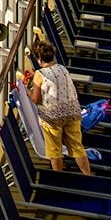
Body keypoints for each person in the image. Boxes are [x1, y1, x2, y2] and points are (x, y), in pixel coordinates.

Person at [25, 39, 90, 174]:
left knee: (54, 151)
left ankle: (59, 178)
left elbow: (36, 99)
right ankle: (87, 174)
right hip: (72, 113)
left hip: (52, 118)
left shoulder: (39, 74)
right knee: (77, 148)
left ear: (39, 58)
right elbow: (55, 81)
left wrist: (27, 91)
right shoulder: (62, 68)